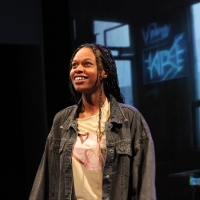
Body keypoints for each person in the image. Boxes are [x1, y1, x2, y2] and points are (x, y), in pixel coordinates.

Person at [29, 43, 156, 200]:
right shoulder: (62, 121)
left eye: (87, 64)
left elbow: (145, 184)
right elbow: (44, 179)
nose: (78, 69)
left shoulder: (129, 119)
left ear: (105, 72)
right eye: (74, 65)